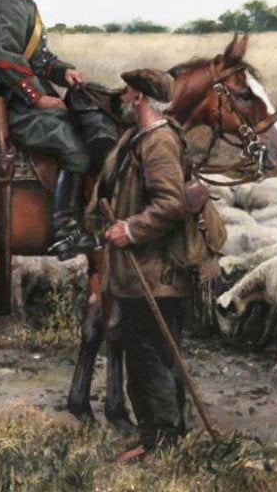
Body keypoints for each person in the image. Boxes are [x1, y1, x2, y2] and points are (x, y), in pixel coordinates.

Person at [0, 0, 109, 259]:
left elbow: (39, 58)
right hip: (11, 102)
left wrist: (65, 72)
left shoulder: (25, 4)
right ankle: (65, 233)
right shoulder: (9, 6)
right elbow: (5, 57)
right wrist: (37, 97)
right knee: (74, 146)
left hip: (21, 95)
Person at [98, 68, 191, 463]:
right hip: (137, 274)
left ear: (139, 97)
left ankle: (165, 444)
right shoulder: (137, 137)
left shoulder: (160, 142)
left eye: (128, 91)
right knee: (143, 353)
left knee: (153, 354)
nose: (121, 95)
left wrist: (131, 229)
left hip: (156, 272)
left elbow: (171, 204)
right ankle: (154, 437)